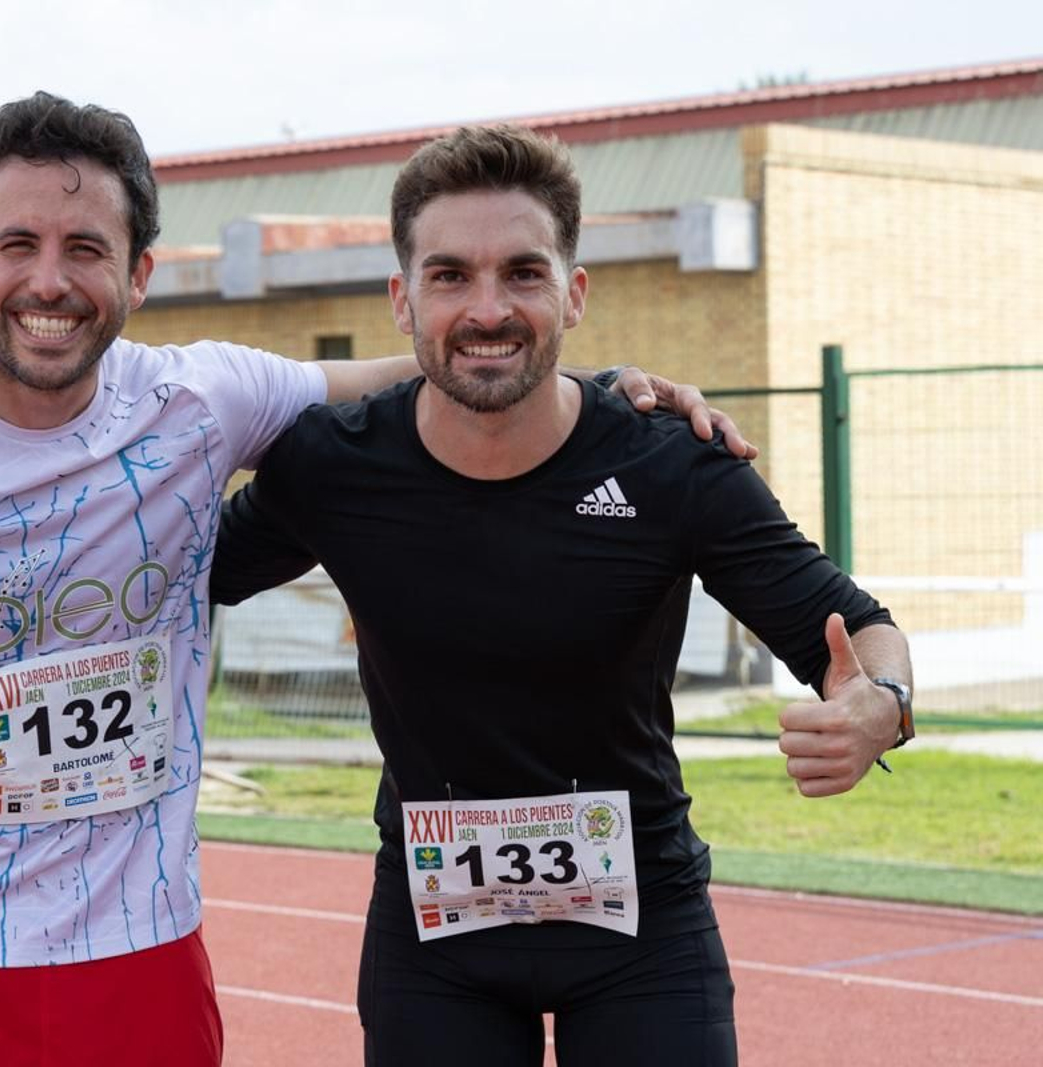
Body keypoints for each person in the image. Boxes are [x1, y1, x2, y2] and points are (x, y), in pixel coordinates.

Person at [0, 94, 752, 1066]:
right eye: (18, 246)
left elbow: (437, 371)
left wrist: (599, 387)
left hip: (138, 947)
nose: (49, 281)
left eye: (85, 249)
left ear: (139, 272)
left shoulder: (202, 401)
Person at [211, 123, 914, 1067]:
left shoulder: (671, 462)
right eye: (451, 275)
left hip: (643, 930)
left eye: (524, 274)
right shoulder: (334, 464)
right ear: (401, 297)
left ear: (574, 293)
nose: (488, 307)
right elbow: (171, 573)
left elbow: (857, 625)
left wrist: (882, 705)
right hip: (435, 937)